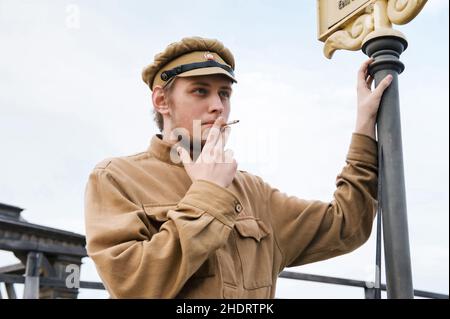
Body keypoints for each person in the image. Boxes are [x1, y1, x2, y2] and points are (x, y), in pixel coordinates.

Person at [84, 36, 393, 298]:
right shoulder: (116, 177)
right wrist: (208, 194)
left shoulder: (254, 191)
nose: (218, 105)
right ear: (162, 101)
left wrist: (364, 123)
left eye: (224, 93)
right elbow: (132, 285)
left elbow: (347, 224)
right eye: (200, 91)